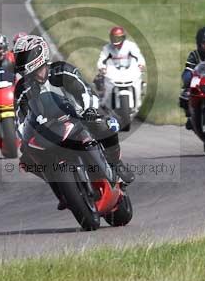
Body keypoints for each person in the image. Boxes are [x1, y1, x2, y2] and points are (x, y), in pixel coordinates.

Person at [13, 34, 134, 210]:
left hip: (80, 116)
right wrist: (23, 137)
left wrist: (88, 109)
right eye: (19, 57)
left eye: (24, 56)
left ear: (39, 54)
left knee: (103, 124)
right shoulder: (22, 88)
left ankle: (116, 164)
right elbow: (20, 118)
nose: (21, 61)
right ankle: (60, 190)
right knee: (26, 158)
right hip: (49, 130)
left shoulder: (62, 70)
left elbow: (84, 91)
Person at [94, 26, 145, 91]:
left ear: (123, 38)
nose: (116, 41)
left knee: (138, 83)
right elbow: (102, 59)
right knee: (100, 83)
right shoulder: (107, 48)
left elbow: (138, 56)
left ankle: (137, 96)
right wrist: (102, 68)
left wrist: (141, 64)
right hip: (113, 73)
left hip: (129, 72)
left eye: (118, 38)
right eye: (114, 38)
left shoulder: (131, 46)